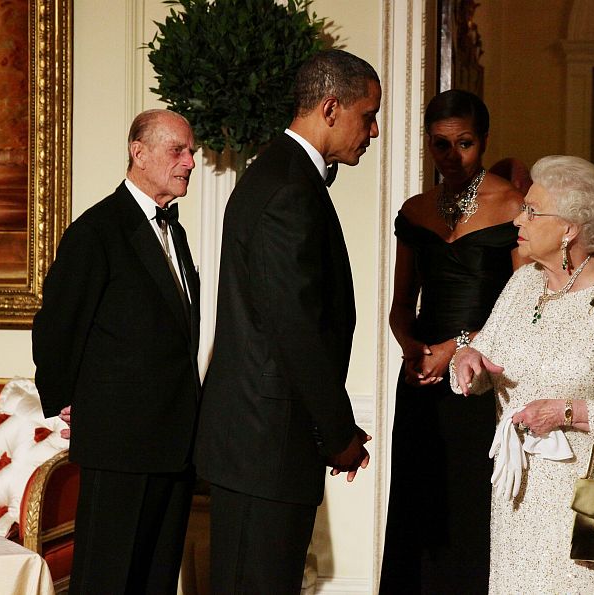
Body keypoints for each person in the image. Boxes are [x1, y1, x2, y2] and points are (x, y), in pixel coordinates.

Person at [194, 49, 379, 594]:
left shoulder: (281, 173)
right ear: (329, 107)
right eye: (366, 115)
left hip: (264, 440)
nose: (372, 131)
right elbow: (293, 327)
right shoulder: (288, 188)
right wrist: (338, 431)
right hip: (263, 443)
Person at [451, 155, 594, 594]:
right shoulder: (524, 283)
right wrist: (466, 361)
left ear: (568, 229)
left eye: (532, 210)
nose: (518, 218)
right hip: (519, 493)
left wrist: (566, 412)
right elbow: (486, 361)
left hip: (591, 496)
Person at [32, 108, 201, 593]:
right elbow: (56, 326)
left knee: (155, 580)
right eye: (178, 150)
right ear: (139, 153)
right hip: (119, 442)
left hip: (174, 445)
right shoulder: (97, 230)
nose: (189, 162)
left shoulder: (177, 232)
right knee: (107, 581)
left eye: (191, 151)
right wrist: (65, 397)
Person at [379, 90, 524, 594]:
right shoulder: (415, 211)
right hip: (421, 380)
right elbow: (400, 306)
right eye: (441, 145)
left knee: (471, 509)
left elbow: (524, 311)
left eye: (464, 143)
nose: (452, 157)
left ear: (482, 141)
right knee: (419, 509)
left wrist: (457, 347)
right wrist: (412, 350)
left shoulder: (513, 205)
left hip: (483, 378)